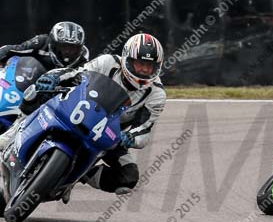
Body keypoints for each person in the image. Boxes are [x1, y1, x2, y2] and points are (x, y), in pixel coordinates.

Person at [0, 33, 166, 199]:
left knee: (128, 176)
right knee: (36, 92)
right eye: (140, 63)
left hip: (108, 135)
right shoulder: (108, 62)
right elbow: (78, 74)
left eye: (150, 66)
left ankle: (82, 173)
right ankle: (14, 131)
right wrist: (54, 77)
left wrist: (131, 137)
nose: (144, 70)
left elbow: (144, 129)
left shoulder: (157, 94)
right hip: (77, 110)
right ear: (128, 59)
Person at [0, 21, 88, 70]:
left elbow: (85, 78)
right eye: (64, 46)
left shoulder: (84, 55)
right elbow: (12, 50)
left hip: (61, 94)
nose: (68, 52)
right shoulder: (41, 42)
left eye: (73, 47)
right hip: (31, 86)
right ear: (53, 43)